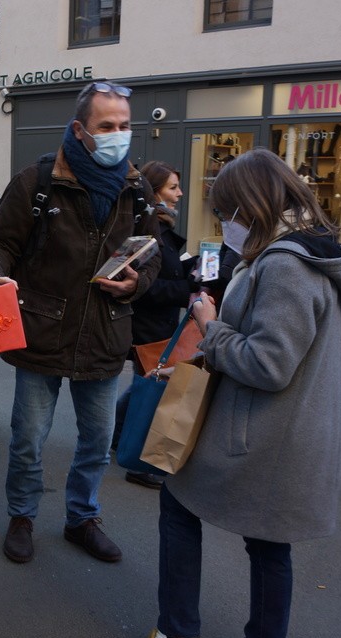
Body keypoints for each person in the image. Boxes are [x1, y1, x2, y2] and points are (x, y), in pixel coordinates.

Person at [130, 148, 341, 638]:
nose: (224, 223)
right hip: (286, 431)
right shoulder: (307, 254)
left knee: (182, 504)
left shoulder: (284, 264)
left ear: (251, 206)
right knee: (266, 543)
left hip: (263, 433)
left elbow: (269, 362)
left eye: (228, 211)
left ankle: (180, 632)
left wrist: (211, 326)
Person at [0, 81, 161, 564]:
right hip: (43, 331)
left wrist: (136, 282)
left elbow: (154, 255)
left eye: (124, 126)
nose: (119, 135)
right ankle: (22, 515)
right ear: (80, 129)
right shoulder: (38, 181)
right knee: (29, 439)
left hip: (104, 334)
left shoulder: (136, 188)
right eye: (107, 126)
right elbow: (0, 243)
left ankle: (82, 518)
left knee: (96, 443)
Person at [113, 160, 201, 490]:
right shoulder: (149, 231)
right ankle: (137, 460)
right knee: (153, 391)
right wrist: (188, 288)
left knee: (143, 386)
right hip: (147, 327)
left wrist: (194, 268)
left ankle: (117, 436)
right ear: (155, 191)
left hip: (158, 327)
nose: (179, 193)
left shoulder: (163, 227)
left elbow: (167, 272)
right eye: (173, 187)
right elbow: (144, 288)